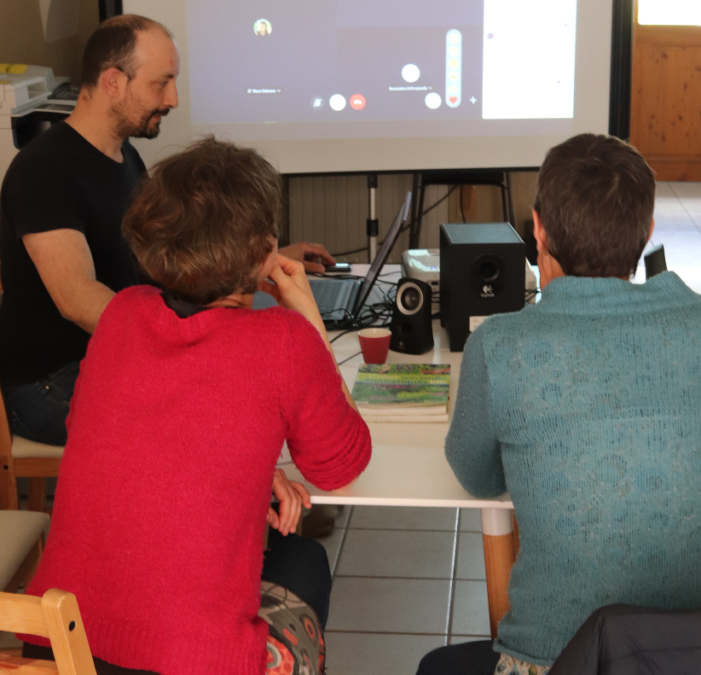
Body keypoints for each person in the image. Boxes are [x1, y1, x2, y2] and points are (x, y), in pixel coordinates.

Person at [20, 137, 371, 675]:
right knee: (305, 562)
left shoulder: (121, 316)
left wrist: (247, 468)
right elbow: (340, 464)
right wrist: (308, 318)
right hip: (191, 662)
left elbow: (110, 430)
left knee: (291, 557)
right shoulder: (283, 340)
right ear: (263, 250)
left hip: (56, 645)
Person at [418, 133, 701, 675]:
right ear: (646, 234)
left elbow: (477, 478)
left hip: (555, 657)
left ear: (537, 229)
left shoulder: (500, 345)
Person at [0, 14, 334, 447]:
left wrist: (260, 258)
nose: (173, 98)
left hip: (112, 357)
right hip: (50, 383)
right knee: (227, 411)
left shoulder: (125, 158)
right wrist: (178, 344)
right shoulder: (44, 171)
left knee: (246, 391)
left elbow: (160, 265)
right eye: (162, 83)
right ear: (113, 82)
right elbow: (76, 298)